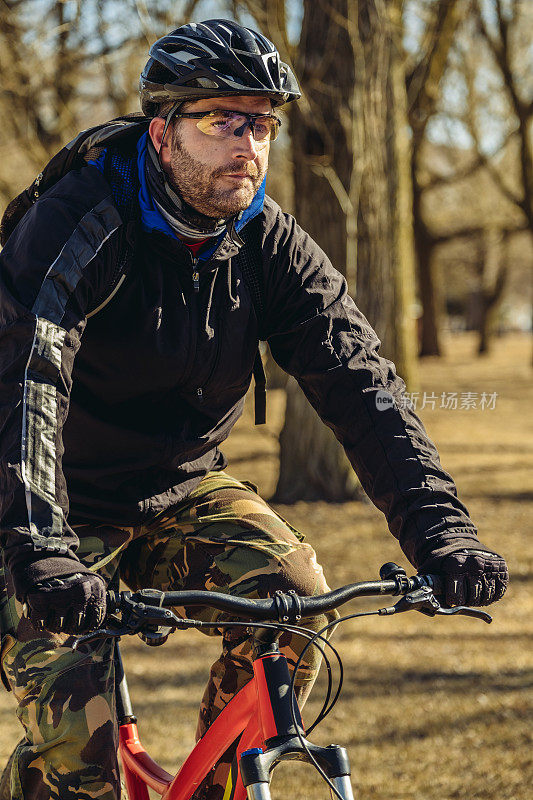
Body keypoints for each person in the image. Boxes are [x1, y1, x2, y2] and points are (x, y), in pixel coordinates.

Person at [0, 18, 508, 800]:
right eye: (220, 121)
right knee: (83, 759)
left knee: (294, 598)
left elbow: (362, 383)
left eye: (261, 124)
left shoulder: (266, 242)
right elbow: (27, 381)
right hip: (51, 506)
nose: (248, 144)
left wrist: (442, 532)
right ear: (162, 133)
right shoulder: (79, 219)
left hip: (182, 488)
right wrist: (41, 550)